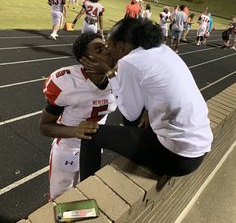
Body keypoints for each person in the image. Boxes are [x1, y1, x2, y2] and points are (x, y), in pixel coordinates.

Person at [78, 17, 213, 181]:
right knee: (141, 111)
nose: (108, 51)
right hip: (199, 147)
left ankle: (86, 192)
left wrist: (110, 72)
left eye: (109, 45)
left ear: (120, 46)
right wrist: (148, 109)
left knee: (88, 135)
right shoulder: (163, 49)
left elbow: (130, 115)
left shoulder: (130, 62)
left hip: (178, 158)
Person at [40, 32, 117, 200]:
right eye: (99, 49)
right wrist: (75, 131)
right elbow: (45, 127)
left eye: (105, 46)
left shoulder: (118, 76)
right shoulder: (67, 82)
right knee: (60, 199)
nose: (106, 51)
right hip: (67, 150)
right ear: (85, 60)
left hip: (94, 149)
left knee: (85, 193)